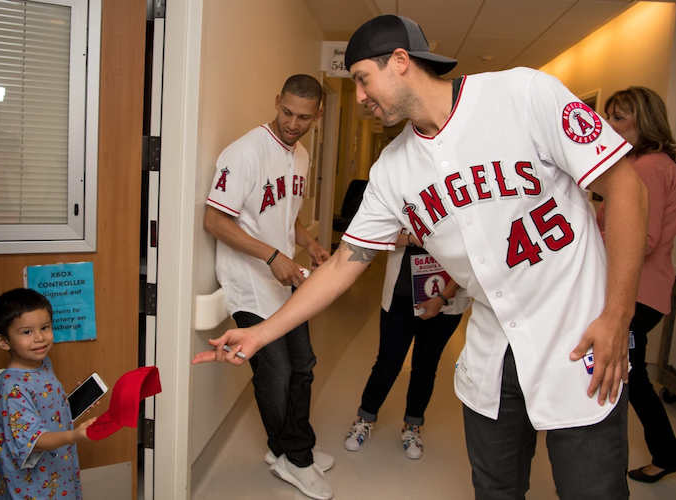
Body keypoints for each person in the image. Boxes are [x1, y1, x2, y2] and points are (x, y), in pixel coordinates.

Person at [194, 15, 649, 500]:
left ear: (400, 62)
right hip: (493, 348)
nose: (361, 97)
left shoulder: (522, 95)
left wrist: (617, 314)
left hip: (579, 335)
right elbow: (345, 263)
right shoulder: (392, 170)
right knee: (495, 488)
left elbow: (626, 188)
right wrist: (260, 334)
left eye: (363, 80)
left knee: (592, 490)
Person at [201, 74, 334, 500]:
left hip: (285, 280)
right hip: (250, 284)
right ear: (277, 101)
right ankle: (293, 457)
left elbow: (285, 211)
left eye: (304, 117)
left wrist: (308, 243)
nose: (293, 124)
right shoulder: (244, 153)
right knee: (276, 375)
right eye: (287, 112)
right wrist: (273, 256)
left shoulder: (302, 155)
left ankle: (294, 446)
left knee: (304, 366)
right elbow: (215, 221)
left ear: (318, 114)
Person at [597, 86, 676, 483]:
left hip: (639, 292)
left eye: (618, 117)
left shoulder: (647, 168)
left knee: (625, 374)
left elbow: (641, 239)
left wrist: (591, 238)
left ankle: (659, 454)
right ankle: (666, 452)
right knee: (633, 373)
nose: (609, 125)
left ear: (642, 121)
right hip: (648, 289)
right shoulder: (648, 164)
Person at [343, 224, 469, 458]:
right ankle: (365, 418)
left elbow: (471, 256)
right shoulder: (402, 196)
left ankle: (412, 426)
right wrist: (414, 238)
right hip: (401, 299)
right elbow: (381, 236)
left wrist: (442, 298)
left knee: (426, 365)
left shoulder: (460, 202)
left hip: (445, 300)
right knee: (388, 363)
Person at [0, 288, 97, 500]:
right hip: (33, 485)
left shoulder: (43, 364)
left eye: (45, 327)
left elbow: (43, 407)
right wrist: (75, 435)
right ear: (3, 341)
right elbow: (32, 439)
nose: (40, 338)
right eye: (27, 332)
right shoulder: (13, 387)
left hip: (57, 471)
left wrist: (68, 403)